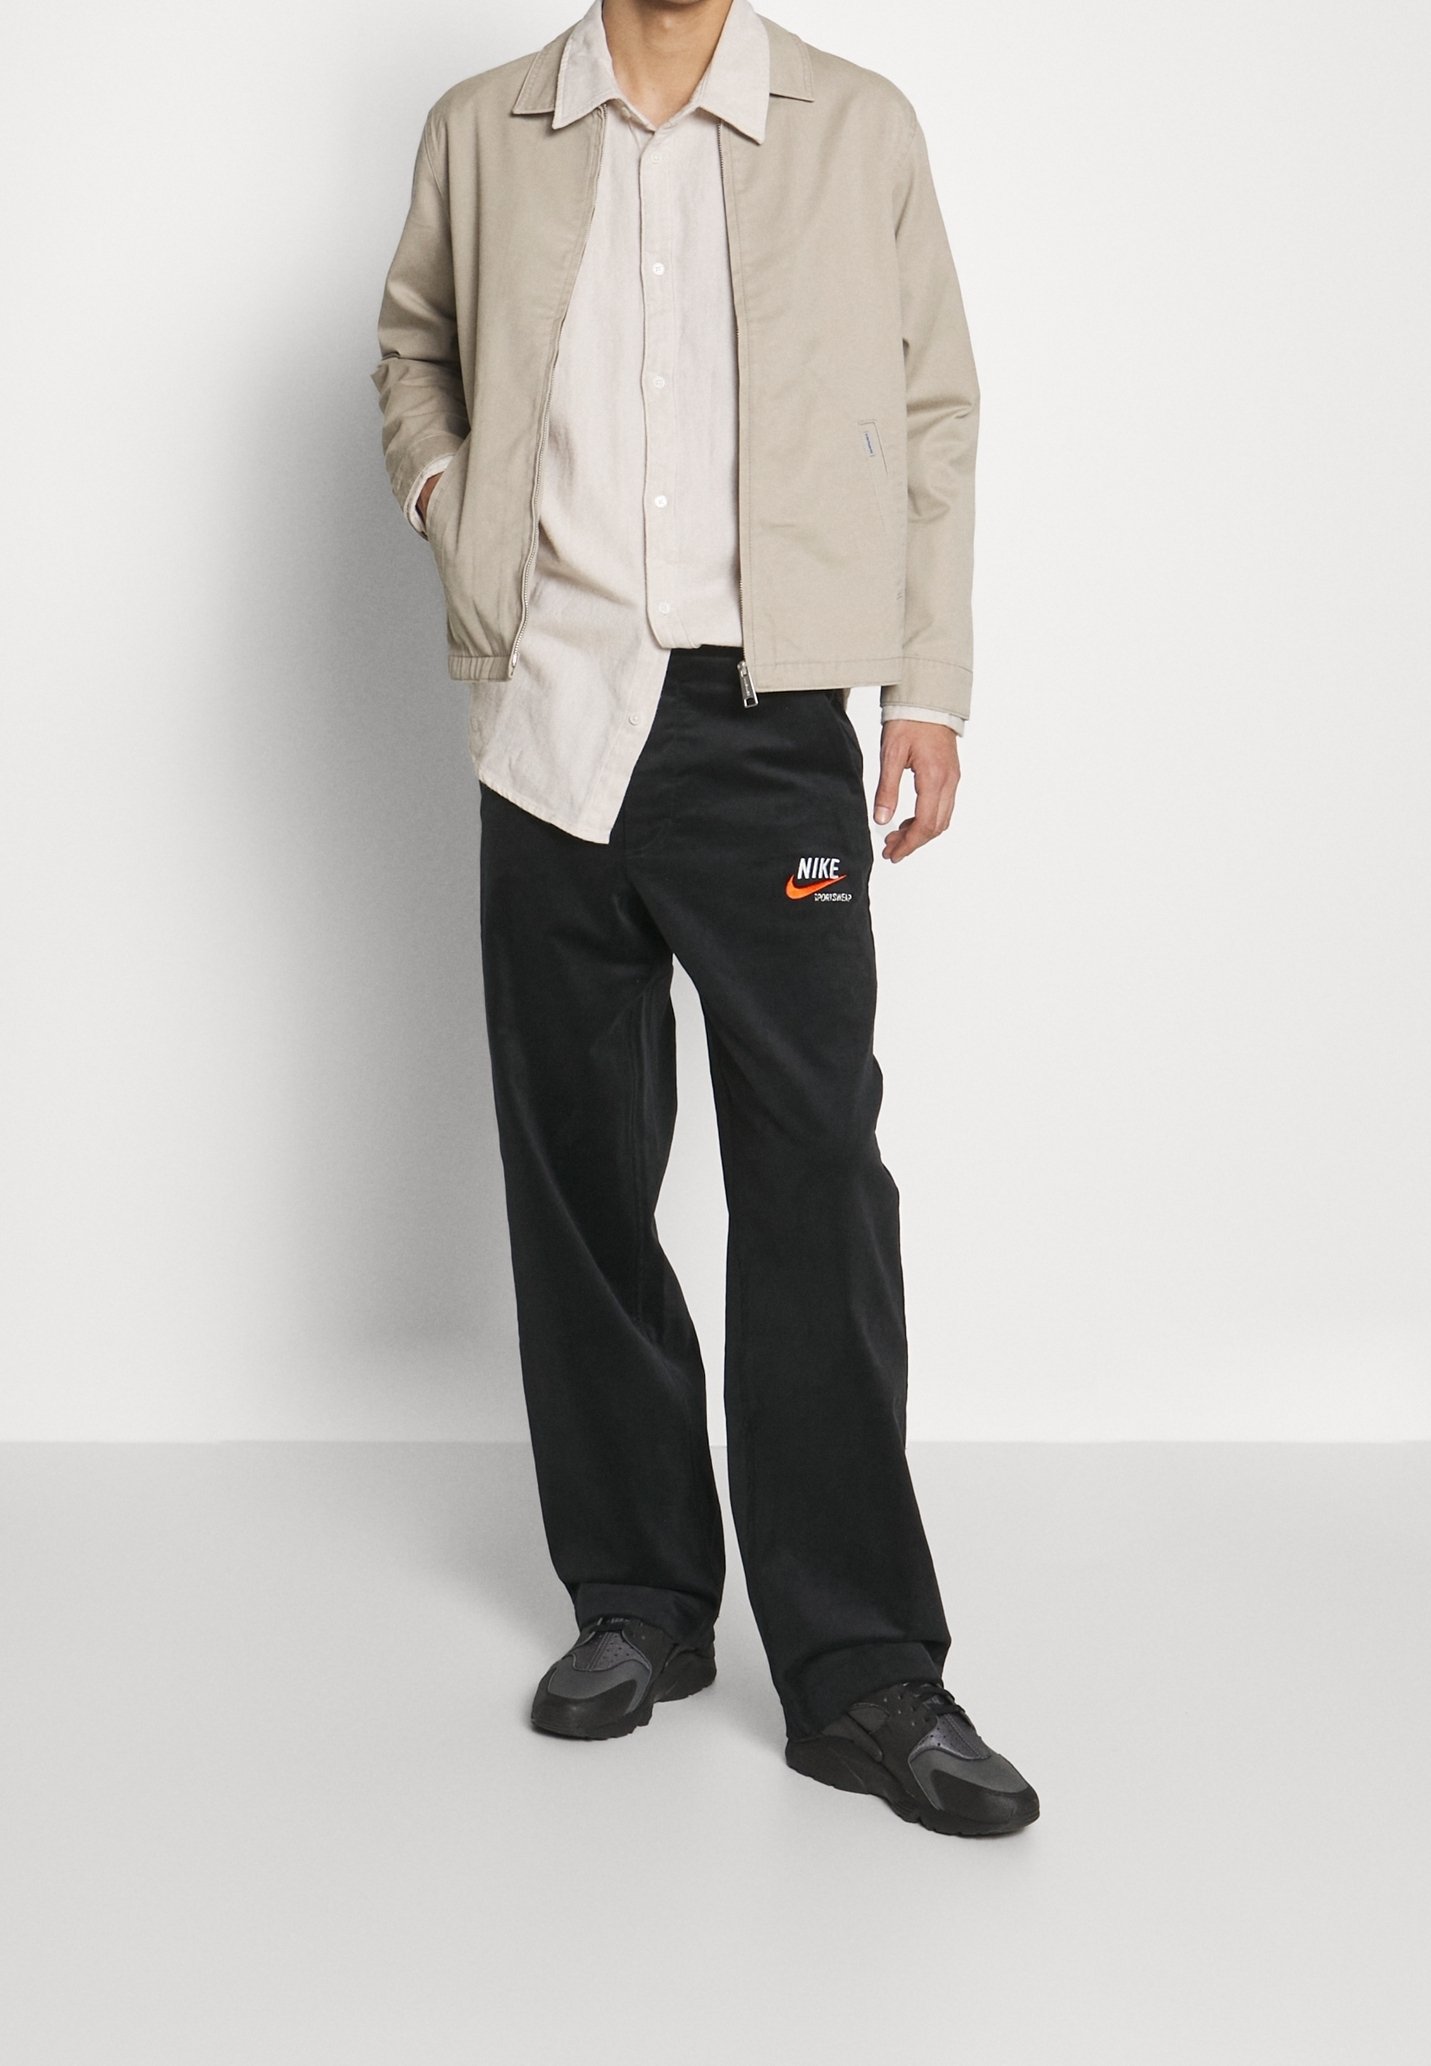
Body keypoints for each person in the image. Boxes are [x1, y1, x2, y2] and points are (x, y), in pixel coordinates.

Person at [371, 0, 1038, 1838]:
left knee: (814, 1176)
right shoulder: (486, 127)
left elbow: (934, 406)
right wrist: (446, 493)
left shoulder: (855, 123)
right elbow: (413, 344)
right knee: (581, 1172)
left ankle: (862, 1667)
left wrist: (925, 688)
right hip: (550, 710)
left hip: (771, 714)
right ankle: (641, 1599)